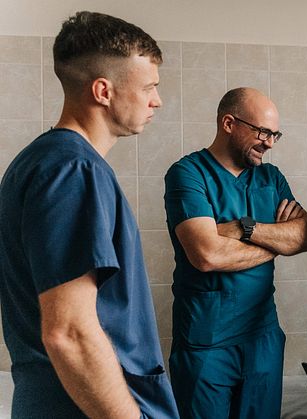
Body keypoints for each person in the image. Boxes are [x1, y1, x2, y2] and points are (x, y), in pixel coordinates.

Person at [0, 11, 178, 418]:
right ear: (103, 91)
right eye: (149, 87)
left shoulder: (41, 162)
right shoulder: (72, 171)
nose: (157, 100)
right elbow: (69, 333)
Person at [164, 87, 307, 418]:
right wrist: (275, 245)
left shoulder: (271, 178)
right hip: (207, 342)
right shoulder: (188, 174)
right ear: (228, 123)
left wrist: (246, 229)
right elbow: (206, 254)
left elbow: (304, 236)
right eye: (263, 132)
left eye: (275, 134)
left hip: (262, 339)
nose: (270, 143)